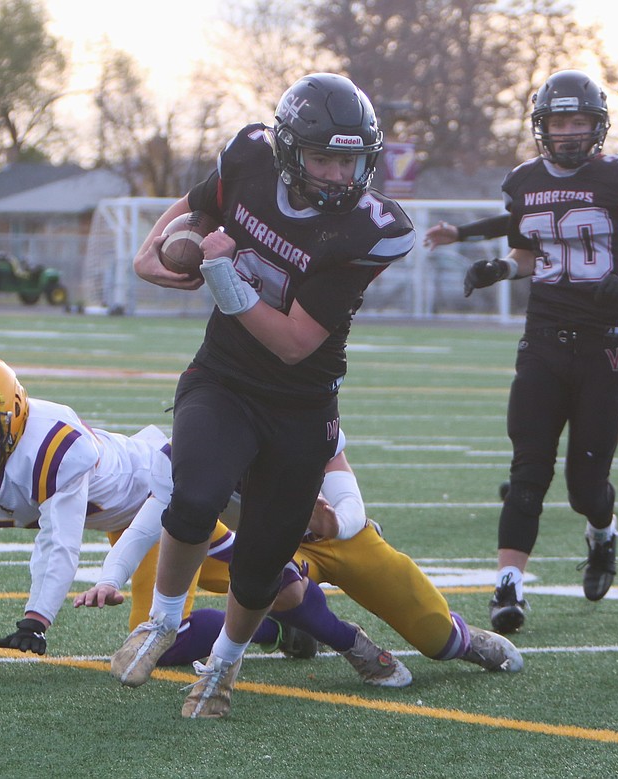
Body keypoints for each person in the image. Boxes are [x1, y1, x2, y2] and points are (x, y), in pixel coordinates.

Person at [113, 72, 415, 719]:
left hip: (300, 403)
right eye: (322, 157)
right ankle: (161, 622)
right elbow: (199, 205)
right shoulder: (248, 154)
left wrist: (220, 271)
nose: (337, 173)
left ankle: (222, 666)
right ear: (286, 150)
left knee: (261, 564)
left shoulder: (369, 230)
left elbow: (293, 342)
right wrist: (154, 250)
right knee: (193, 493)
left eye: (349, 159)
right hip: (222, 376)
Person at [462, 70, 618, 634]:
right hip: (542, 340)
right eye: (558, 122)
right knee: (528, 472)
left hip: (603, 346)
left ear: (598, 125)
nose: (567, 133)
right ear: (542, 126)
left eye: (578, 121)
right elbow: (529, 254)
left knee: (587, 489)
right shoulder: (524, 180)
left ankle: (603, 535)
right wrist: (500, 268)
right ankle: (508, 589)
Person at [77, 438, 523, 685]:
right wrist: (110, 577)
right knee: (271, 584)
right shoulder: (193, 448)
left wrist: (338, 525)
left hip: (338, 539)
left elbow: (347, 495)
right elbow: (150, 521)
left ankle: (464, 640)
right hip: (273, 543)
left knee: (435, 639)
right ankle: (349, 643)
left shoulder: (300, 413)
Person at [0, 354, 232, 656]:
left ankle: (270, 625)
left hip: (157, 498)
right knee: (263, 586)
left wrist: (36, 619)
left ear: (11, 417)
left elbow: (59, 543)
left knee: (163, 638)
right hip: (124, 522)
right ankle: (277, 619)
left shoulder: (51, 446)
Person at [424, 216, 618, 507]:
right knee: (538, 397)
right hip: (551, 312)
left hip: (601, 315)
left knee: (600, 406)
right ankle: (529, 476)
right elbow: (522, 215)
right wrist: (462, 232)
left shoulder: (613, 181)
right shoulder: (544, 181)